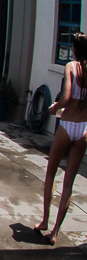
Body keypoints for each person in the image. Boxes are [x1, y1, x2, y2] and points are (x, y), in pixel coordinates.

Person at [37, 31, 87, 244]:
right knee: (69, 184)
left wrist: (54, 108)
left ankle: (45, 221)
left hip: (67, 126)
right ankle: (55, 232)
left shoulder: (71, 67)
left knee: (51, 173)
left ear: (74, 49)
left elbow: (65, 97)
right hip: (83, 129)